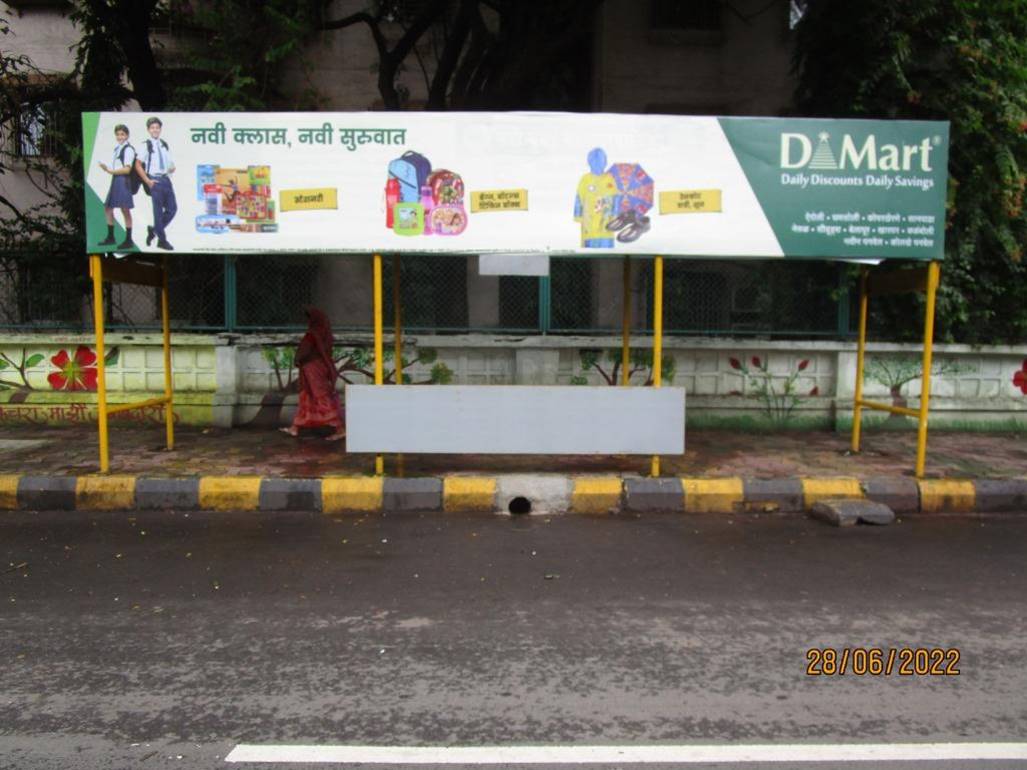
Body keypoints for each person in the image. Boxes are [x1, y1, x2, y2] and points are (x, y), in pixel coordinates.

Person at [281, 308, 346, 441]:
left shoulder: (313, 334)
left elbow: (305, 350)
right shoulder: (325, 334)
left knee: (320, 396)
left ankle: (340, 429)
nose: (308, 321)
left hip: (312, 368)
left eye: (309, 318)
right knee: (308, 396)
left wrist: (297, 359)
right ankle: (295, 427)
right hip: (318, 367)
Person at [135, 116, 178, 250]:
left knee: (172, 209)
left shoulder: (164, 144)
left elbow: (170, 163)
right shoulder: (145, 145)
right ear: (148, 130)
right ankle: (162, 240)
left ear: (160, 129)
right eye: (152, 128)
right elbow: (138, 165)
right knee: (158, 213)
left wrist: (171, 168)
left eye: (157, 127)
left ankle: (153, 230)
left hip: (166, 179)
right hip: (155, 180)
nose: (155, 130)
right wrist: (147, 180)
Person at [97, 123, 137, 250]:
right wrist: (107, 169)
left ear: (127, 135)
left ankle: (129, 239)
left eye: (122, 134)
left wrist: (110, 171)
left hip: (122, 180)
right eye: (118, 134)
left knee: (125, 209)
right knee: (108, 208)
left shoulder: (128, 149)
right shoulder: (117, 148)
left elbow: (127, 169)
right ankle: (111, 237)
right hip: (116, 179)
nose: (120, 137)